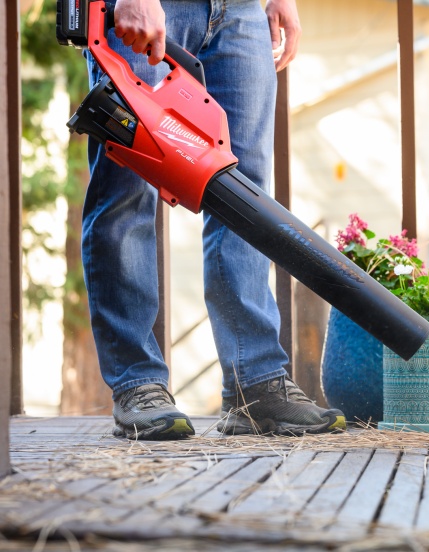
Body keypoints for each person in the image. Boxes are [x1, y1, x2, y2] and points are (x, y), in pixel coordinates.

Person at [83, 0, 345, 439]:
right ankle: (138, 383)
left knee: (244, 193)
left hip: (243, 11)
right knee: (125, 189)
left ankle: (255, 386)